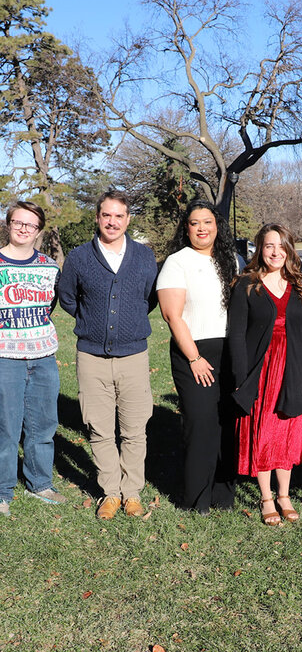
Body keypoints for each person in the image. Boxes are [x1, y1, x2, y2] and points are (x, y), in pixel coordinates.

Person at [58, 190, 157, 520]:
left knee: (134, 428)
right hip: (91, 356)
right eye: (106, 215)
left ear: (128, 219)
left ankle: (132, 493)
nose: (112, 222)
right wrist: (91, 321)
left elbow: (150, 299)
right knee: (99, 429)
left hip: (133, 356)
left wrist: (128, 322)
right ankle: (111, 493)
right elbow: (68, 298)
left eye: (119, 216)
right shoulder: (79, 257)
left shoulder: (144, 257)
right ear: (97, 218)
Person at [228, 224, 302, 525]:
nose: (276, 252)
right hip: (260, 371)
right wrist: (241, 377)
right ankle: (267, 498)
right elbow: (237, 335)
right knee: (263, 431)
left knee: (286, 431)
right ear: (259, 249)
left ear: (289, 249)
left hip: (291, 369)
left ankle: (284, 495)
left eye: (281, 246)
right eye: (269, 246)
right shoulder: (246, 284)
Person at [157, 200, 239, 514]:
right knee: (201, 424)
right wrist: (194, 358)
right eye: (194, 223)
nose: (202, 228)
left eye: (207, 222)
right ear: (186, 227)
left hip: (229, 351)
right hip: (195, 353)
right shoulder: (177, 262)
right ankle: (195, 499)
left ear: (218, 226)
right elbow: (172, 315)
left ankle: (222, 495)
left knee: (226, 424)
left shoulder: (231, 258)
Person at [0, 200, 66, 516]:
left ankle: (40, 483)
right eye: (18, 222)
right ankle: (2, 492)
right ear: (8, 223)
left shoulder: (50, 267)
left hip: (43, 356)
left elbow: (48, 307)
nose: (24, 229)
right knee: (6, 427)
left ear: (38, 230)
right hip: (5, 357)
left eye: (31, 224)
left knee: (43, 425)